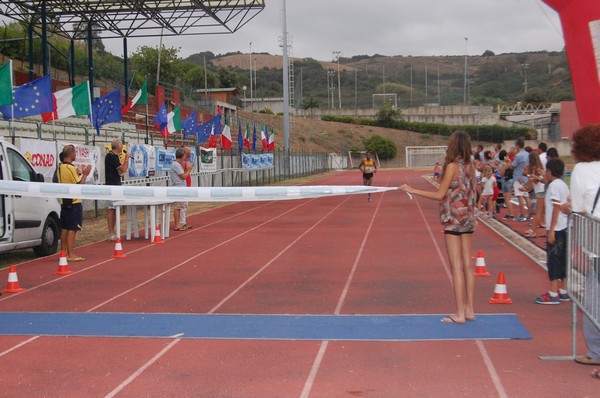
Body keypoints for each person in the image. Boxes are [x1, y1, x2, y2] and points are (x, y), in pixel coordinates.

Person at [401, 131, 477, 324]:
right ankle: (469, 310)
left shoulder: (452, 166)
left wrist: (412, 190)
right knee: (468, 265)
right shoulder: (471, 165)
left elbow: (439, 195)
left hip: (453, 219)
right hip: (468, 217)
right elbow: (472, 190)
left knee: (456, 266)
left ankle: (459, 313)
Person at [568, 125, 600, 368]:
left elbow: (578, 207)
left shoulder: (582, 170)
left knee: (593, 300)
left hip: (596, 242)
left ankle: (596, 352)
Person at [534, 158, 570, 305]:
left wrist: (551, 230)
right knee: (563, 259)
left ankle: (553, 293)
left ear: (549, 171)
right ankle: (563, 290)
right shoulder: (563, 185)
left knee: (554, 259)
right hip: (565, 227)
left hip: (557, 228)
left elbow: (556, 207)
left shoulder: (554, 187)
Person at [57, 144, 91, 261]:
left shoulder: (60, 167)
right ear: (71, 154)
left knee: (65, 227)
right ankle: (71, 254)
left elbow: (71, 180)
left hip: (64, 200)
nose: (75, 155)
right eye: (75, 153)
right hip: (74, 201)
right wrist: (85, 174)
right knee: (73, 228)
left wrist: (79, 173)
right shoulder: (69, 168)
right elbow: (79, 185)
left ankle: (63, 253)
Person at [105, 139, 130, 241]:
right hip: (112, 186)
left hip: (116, 184)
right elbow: (122, 169)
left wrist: (126, 160)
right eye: (121, 145)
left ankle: (113, 231)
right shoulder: (110, 156)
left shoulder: (115, 156)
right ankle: (111, 232)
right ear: (118, 146)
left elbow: (122, 171)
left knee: (115, 208)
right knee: (111, 208)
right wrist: (126, 159)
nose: (122, 147)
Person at [170, 147, 193, 231]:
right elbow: (184, 176)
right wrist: (189, 169)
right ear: (183, 156)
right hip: (178, 188)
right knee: (178, 207)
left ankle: (179, 223)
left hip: (181, 187)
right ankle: (177, 224)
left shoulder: (177, 164)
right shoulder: (176, 165)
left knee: (180, 206)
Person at [523, 151, 546, 238]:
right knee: (537, 212)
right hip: (539, 190)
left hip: (540, 191)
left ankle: (534, 231)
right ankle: (533, 230)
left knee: (537, 212)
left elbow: (536, 181)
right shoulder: (536, 168)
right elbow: (534, 182)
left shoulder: (536, 168)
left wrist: (531, 178)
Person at [180, 146, 193, 229]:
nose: (190, 153)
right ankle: (182, 222)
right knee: (183, 205)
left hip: (187, 185)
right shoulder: (182, 162)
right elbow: (183, 175)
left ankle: (183, 221)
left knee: (185, 205)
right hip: (184, 186)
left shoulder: (185, 161)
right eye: (189, 152)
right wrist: (189, 169)